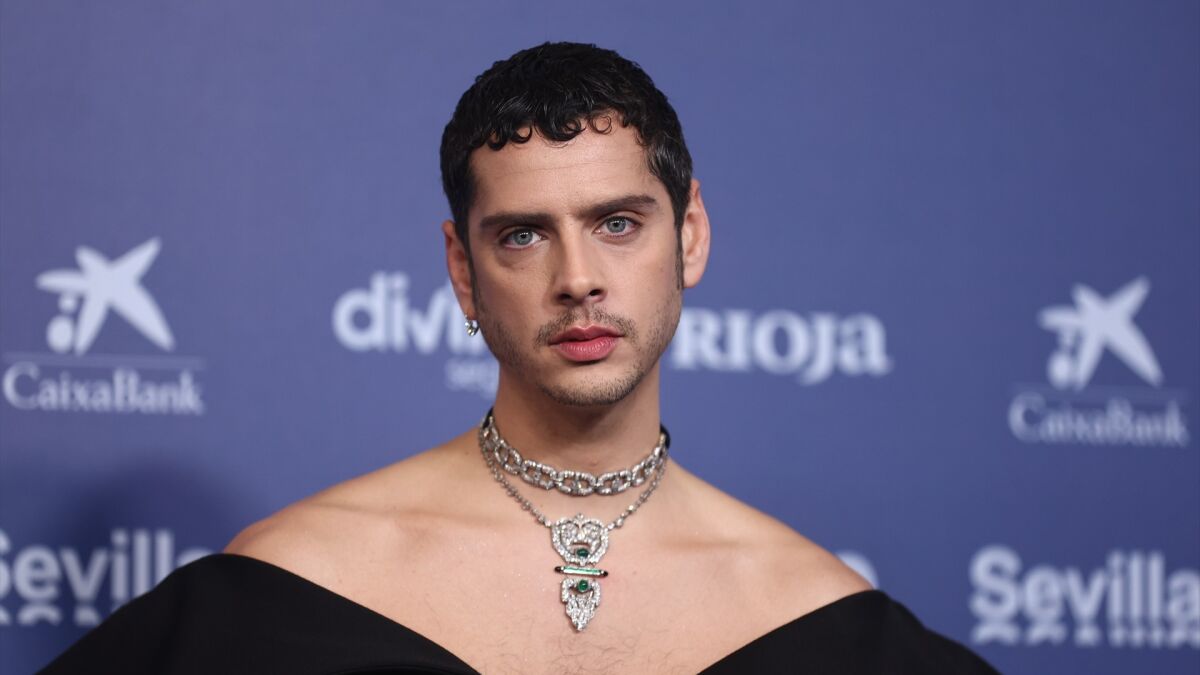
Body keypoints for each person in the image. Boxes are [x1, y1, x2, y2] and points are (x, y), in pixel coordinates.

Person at [44, 42, 997, 674]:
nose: (578, 279)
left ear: (691, 234)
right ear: (462, 270)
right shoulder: (281, 593)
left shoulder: (836, 630)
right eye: (523, 236)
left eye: (617, 223)